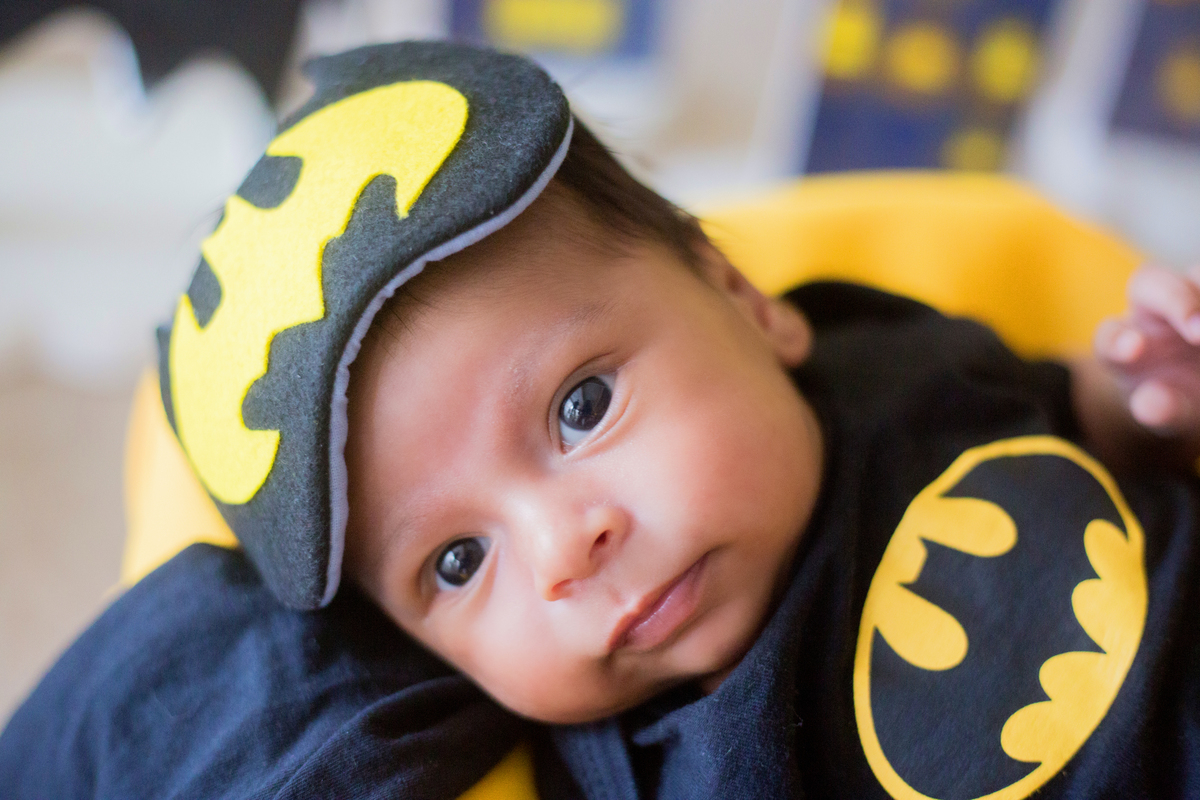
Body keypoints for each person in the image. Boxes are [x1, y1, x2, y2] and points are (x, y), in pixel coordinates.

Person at [3, 40, 1199, 800]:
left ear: (744, 298)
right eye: (456, 561)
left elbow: (1074, 423)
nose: (564, 547)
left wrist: (1145, 398)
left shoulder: (894, 356)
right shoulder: (652, 764)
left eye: (581, 406)